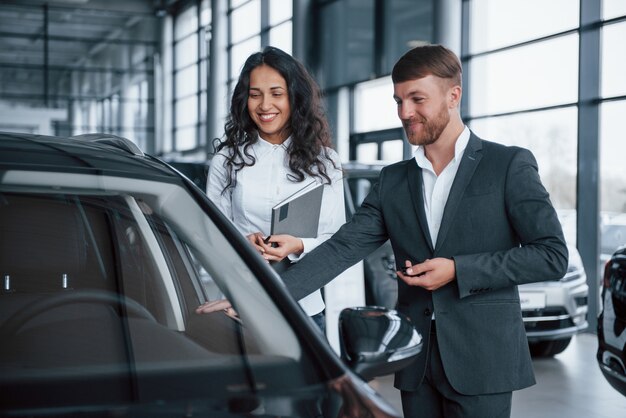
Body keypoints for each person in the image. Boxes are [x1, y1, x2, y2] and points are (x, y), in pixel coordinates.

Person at [279, 44, 568, 417]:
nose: (404, 112)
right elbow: (342, 248)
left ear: (453, 95)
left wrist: (458, 269)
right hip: (416, 364)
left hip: (483, 362)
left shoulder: (507, 164)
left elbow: (551, 255)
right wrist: (260, 294)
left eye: (417, 99)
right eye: (398, 100)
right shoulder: (393, 180)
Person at [201, 46, 345, 332]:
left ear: (295, 97)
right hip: (240, 304)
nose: (265, 105)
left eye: (277, 93)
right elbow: (209, 237)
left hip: (303, 307)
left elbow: (337, 238)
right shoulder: (227, 161)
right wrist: (242, 242)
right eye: (255, 94)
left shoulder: (325, 161)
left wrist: (299, 245)